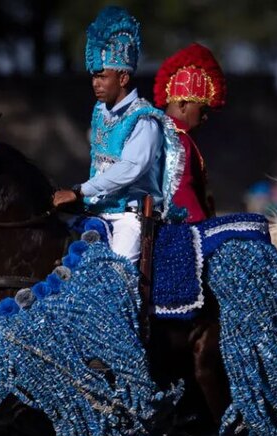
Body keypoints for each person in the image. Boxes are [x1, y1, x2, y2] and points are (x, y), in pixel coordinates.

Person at [53, 6, 182, 264]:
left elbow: (129, 169)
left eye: (102, 77)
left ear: (123, 77)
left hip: (130, 219)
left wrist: (79, 191)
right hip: (97, 213)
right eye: (93, 77)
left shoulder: (144, 119)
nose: (95, 84)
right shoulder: (100, 112)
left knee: (114, 281)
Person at [153, 43, 226, 223]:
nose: (205, 118)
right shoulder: (177, 139)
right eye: (202, 111)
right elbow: (182, 192)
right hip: (180, 231)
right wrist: (205, 226)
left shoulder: (157, 129)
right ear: (183, 104)